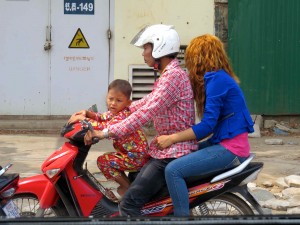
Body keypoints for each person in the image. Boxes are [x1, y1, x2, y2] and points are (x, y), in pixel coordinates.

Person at [84, 24, 197, 216]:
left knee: (128, 204)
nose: (143, 53)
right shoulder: (169, 75)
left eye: (146, 48)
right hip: (164, 149)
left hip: (173, 152)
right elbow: (145, 103)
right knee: (136, 182)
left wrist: (104, 133)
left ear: (159, 47)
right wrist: (108, 113)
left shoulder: (173, 77)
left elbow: (144, 114)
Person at [155, 34, 254, 216]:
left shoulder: (216, 80)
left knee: (173, 170)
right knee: (179, 153)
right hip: (224, 143)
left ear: (198, 58)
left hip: (230, 149)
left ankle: (181, 219)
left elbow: (207, 126)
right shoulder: (218, 78)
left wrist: (172, 138)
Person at [68, 79, 149, 202]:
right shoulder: (115, 113)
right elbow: (101, 117)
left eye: (118, 100)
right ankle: (127, 185)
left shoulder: (124, 115)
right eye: (110, 99)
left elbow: (105, 127)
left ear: (128, 103)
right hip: (130, 155)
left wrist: (82, 120)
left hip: (135, 158)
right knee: (107, 159)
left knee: (103, 161)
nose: (113, 103)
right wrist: (87, 113)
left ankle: (126, 186)